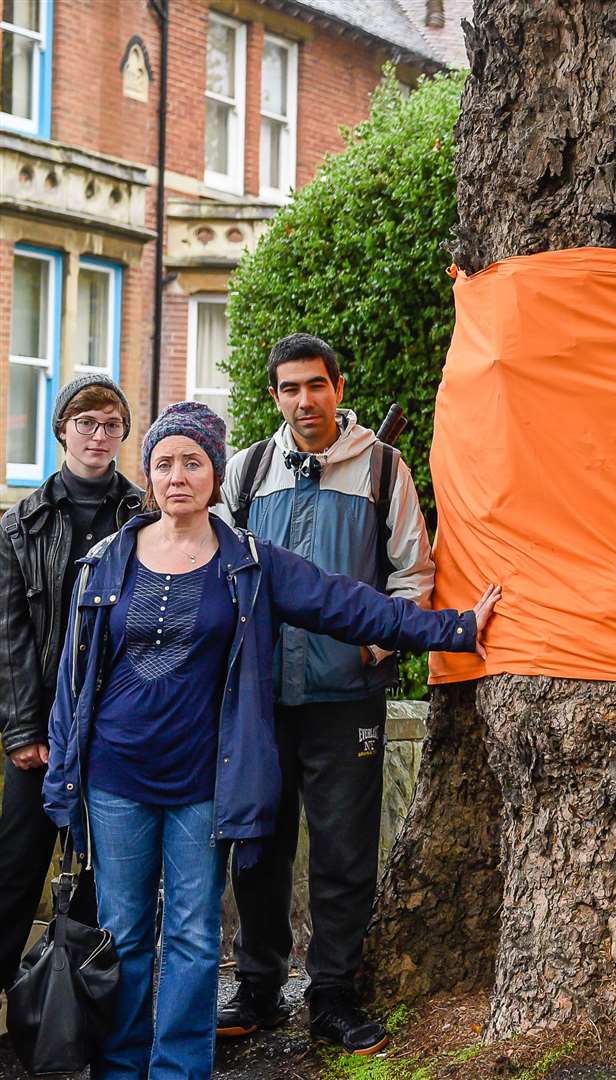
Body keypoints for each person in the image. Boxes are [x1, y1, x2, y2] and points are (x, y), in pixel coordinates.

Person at [40, 401, 498, 1080]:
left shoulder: (249, 562)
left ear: (215, 476)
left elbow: (347, 604)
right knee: (127, 933)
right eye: (163, 463)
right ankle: (120, 1066)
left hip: (202, 782)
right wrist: (64, 778)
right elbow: (74, 683)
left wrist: (453, 629)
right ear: (148, 474)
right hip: (116, 779)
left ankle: (177, 1070)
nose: (176, 476)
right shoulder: (106, 561)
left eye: (192, 462)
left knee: (194, 936)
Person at [216, 333, 435, 1052]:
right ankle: (258, 984)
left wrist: (380, 642)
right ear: (273, 395)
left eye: (316, 385)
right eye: (289, 388)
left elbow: (413, 574)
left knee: (343, 853)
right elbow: (213, 572)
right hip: (262, 698)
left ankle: (333, 993)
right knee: (258, 845)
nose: (304, 400)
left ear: (338, 386)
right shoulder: (246, 472)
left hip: (347, 696)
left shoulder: (381, 468)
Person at [0, 374, 142, 989]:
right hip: (43, 735)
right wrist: (28, 729)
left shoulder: (144, 515)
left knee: (102, 876)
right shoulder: (20, 525)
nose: (98, 434)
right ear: (62, 429)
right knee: (15, 869)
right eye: (86, 422)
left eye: (110, 424)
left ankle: (82, 1015)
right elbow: (11, 637)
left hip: (115, 728)